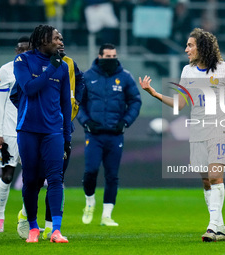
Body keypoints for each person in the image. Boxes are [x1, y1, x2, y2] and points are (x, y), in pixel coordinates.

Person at [139, 28, 225, 242]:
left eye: (190, 45)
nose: (186, 49)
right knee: (206, 180)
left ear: (202, 47)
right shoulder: (188, 72)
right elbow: (180, 104)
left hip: (220, 128)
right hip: (197, 129)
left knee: (216, 176)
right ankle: (218, 227)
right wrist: (155, 93)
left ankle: (213, 227)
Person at [16, 32, 85, 240]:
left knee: (56, 179)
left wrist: (66, 135)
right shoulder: (23, 60)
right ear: (43, 41)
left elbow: (66, 102)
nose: (61, 42)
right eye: (56, 38)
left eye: (62, 38)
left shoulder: (64, 66)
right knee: (30, 180)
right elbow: (27, 89)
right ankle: (34, 228)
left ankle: (56, 230)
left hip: (54, 131)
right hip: (28, 130)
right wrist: (51, 69)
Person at [77, 43, 141, 226]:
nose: (111, 60)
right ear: (99, 57)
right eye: (108, 57)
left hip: (115, 134)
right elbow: (78, 103)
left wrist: (125, 122)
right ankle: (89, 203)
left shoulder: (125, 77)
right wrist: (87, 122)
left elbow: (135, 101)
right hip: (94, 134)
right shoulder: (87, 77)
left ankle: (107, 215)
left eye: (114, 56)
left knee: (112, 175)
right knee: (90, 172)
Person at [0, 36, 30, 233]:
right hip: (9, 132)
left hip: (31, 129)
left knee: (33, 176)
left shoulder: (38, 69)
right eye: (19, 50)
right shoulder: (6, 70)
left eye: (26, 50)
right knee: (7, 175)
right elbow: (0, 104)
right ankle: (0, 216)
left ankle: (25, 215)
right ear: (16, 51)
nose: (22, 53)